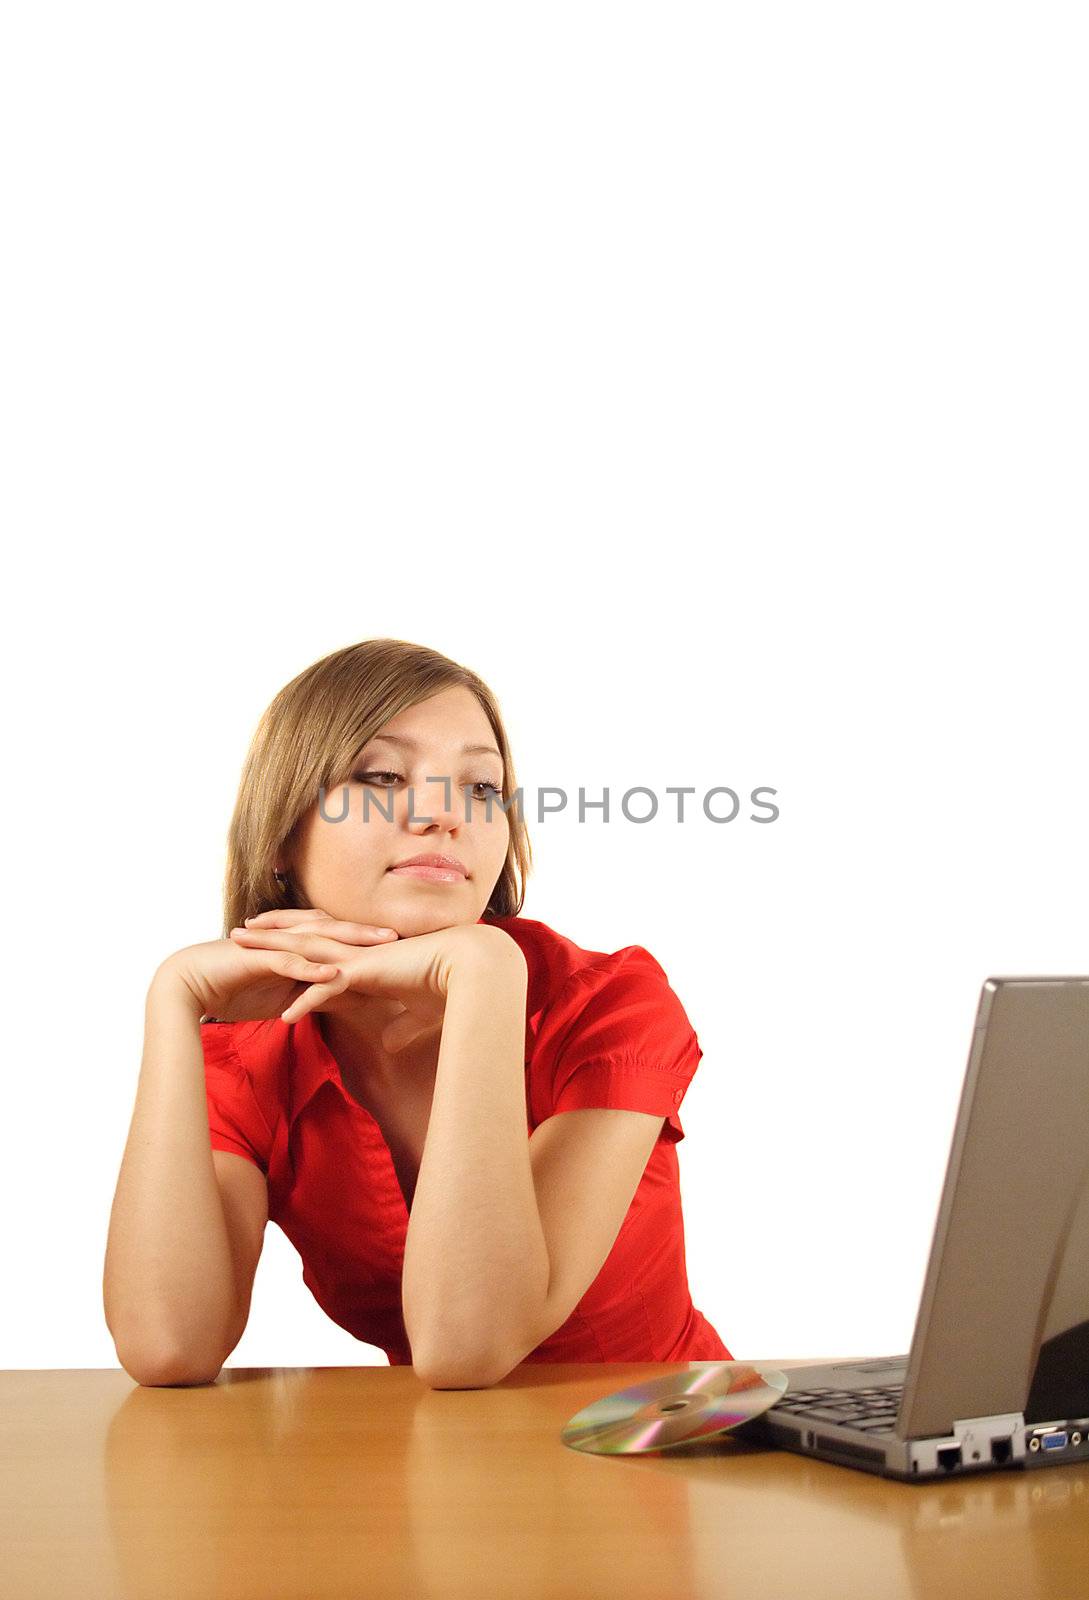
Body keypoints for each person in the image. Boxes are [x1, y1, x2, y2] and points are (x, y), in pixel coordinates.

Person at [103, 637, 732, 1389]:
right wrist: (172, 1002)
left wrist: (484, 975)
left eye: (479, 788)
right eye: (379, 776)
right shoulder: (251, 1059)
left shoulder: (606, 1002)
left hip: (661, 1442)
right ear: (281, 834)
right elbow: (168, 1345)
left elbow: (467, 1345)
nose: (442, 815)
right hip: (437, 1467)